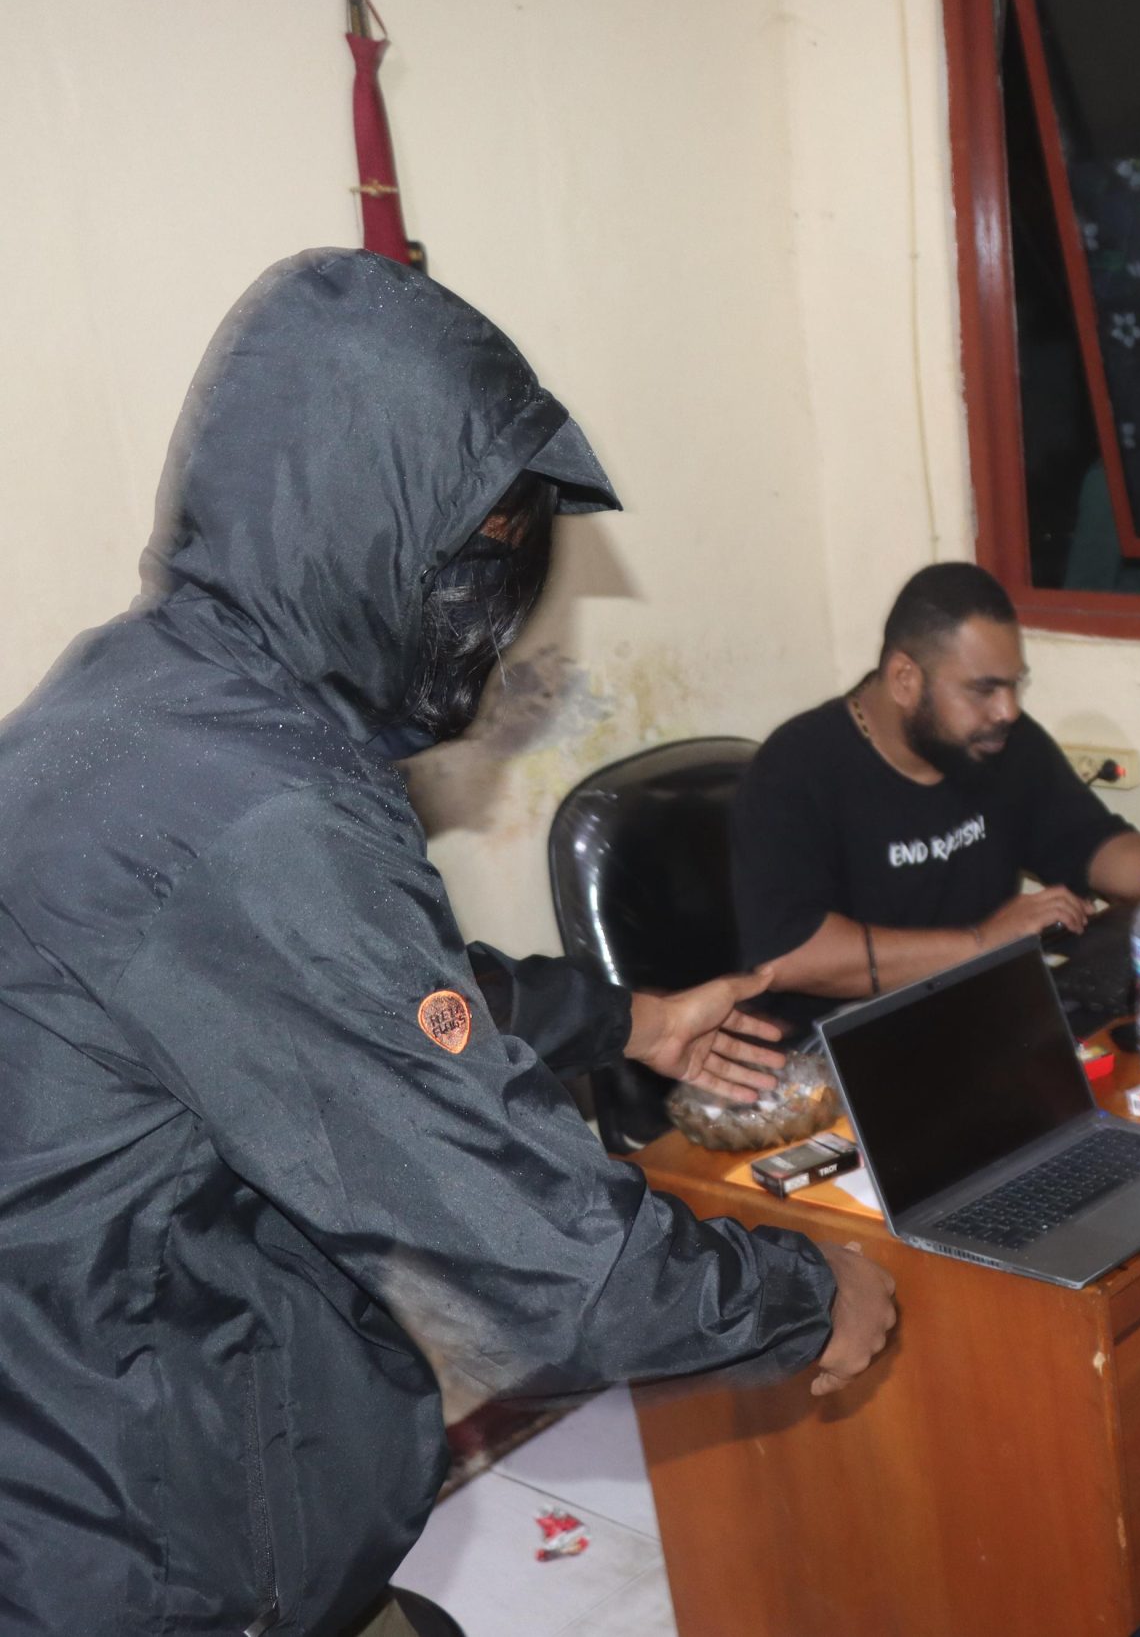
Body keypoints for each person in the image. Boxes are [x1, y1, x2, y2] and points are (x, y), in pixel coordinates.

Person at [0, 249, 898, 1637]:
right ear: (362, 522)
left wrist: (627, 1018)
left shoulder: (138, 705)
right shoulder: (257, 810)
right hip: (148, 1547)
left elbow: (362, 1003)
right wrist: (805, 1290)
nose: (490, 593)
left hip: (94, 1456)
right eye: (476, 542)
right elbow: (545, 1267)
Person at [731, 562, 1140, 1010]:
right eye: (984, 689)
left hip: (973, 1012)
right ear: (905, 680)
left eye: (1014, 685)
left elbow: (1093, 844)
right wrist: (981, 943)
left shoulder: (1000, 743)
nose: (1008, 710)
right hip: (839, 1036)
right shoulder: (794, 770)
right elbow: (792, 955)